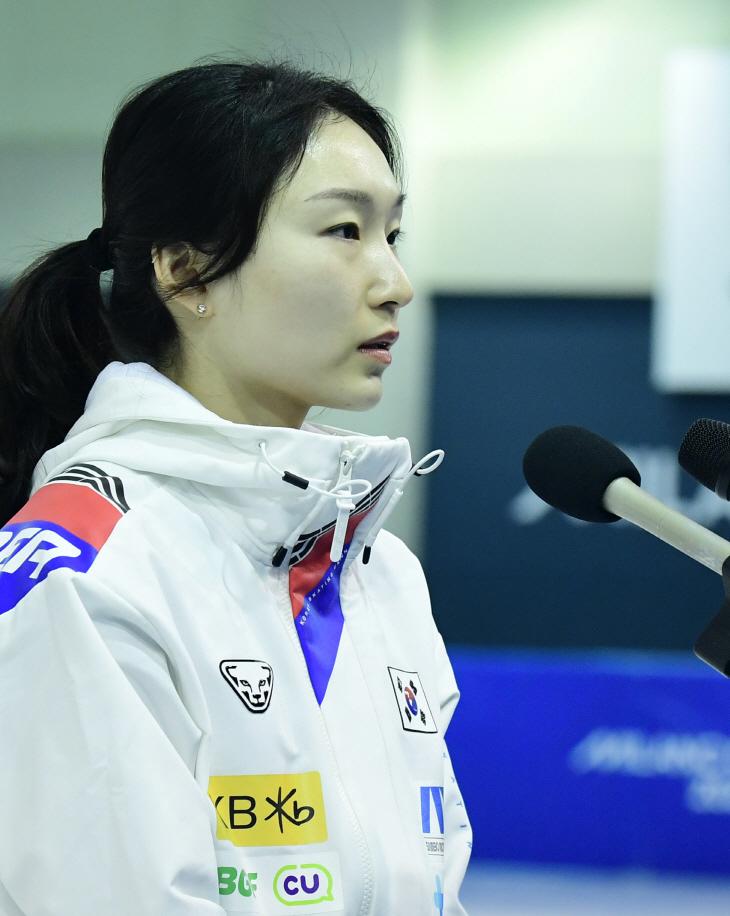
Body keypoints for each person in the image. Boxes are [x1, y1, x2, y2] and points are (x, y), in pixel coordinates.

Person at [0, 61, 469, 916]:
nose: (393, 281)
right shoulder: (89, 571)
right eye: (342, 232)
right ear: (186, 272)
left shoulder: (380, 571)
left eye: (392, 234)